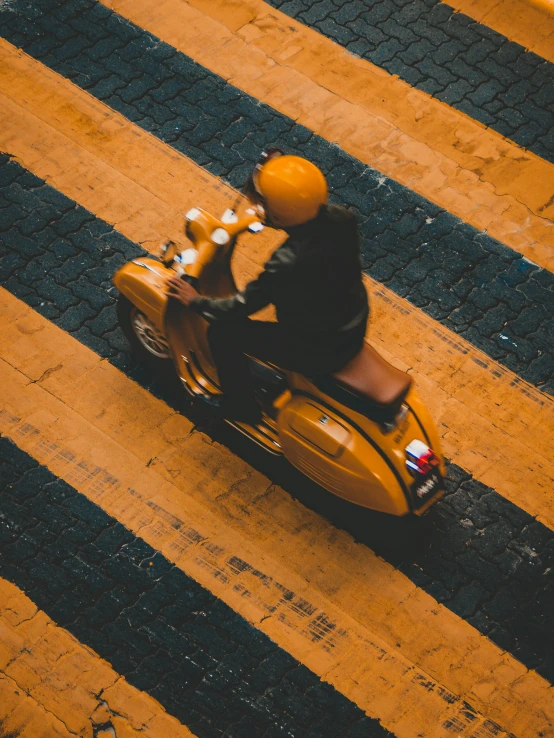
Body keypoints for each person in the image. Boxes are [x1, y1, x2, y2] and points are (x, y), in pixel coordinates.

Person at [167, 149, 369, 425]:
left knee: (222, 333)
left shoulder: (287, 262)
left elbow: (239, 307)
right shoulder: (342, 219)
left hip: (318, 349)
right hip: (350, 325)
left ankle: (241, 408)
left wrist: (195, 300)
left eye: (265, 203)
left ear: (280, 211)